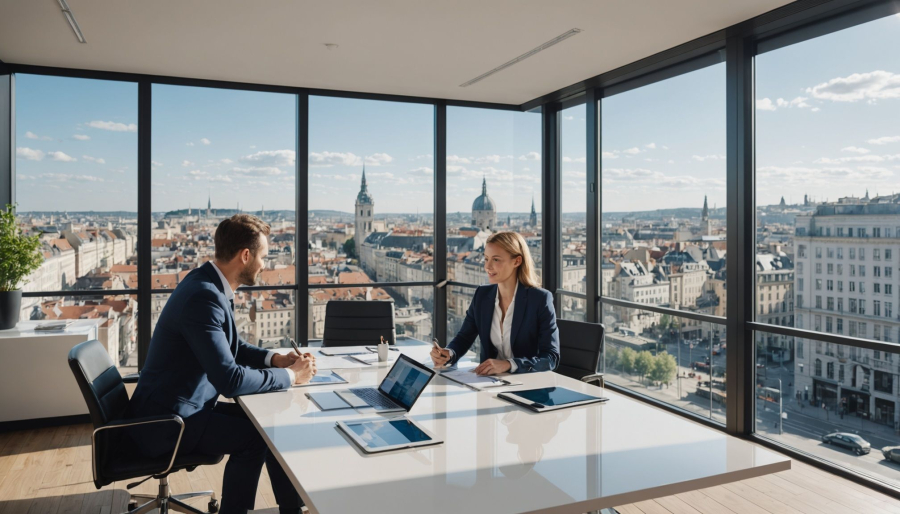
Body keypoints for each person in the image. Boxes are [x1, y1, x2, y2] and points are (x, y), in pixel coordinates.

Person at [128, 214, 316, 514]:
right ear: (245, 256)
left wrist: (275, 359)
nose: (265, 265)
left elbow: (233, 348)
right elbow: (229, 380)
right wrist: (289, 376)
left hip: (181, 405)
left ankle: (291, 509)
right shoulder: (204, 297)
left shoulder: (207, 284)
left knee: (267, 426)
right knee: (254, 438)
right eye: (264, 257)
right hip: (166, 422)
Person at [431, 231, 559, 375]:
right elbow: (464, 337)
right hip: (487, 382)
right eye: (486, 259)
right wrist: (449, 353)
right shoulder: (482, 295)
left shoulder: (540, 299)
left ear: (517, 261)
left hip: (527, 385)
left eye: (496, 260)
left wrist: (509, 364)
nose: (488, 266)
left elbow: (550, 358)